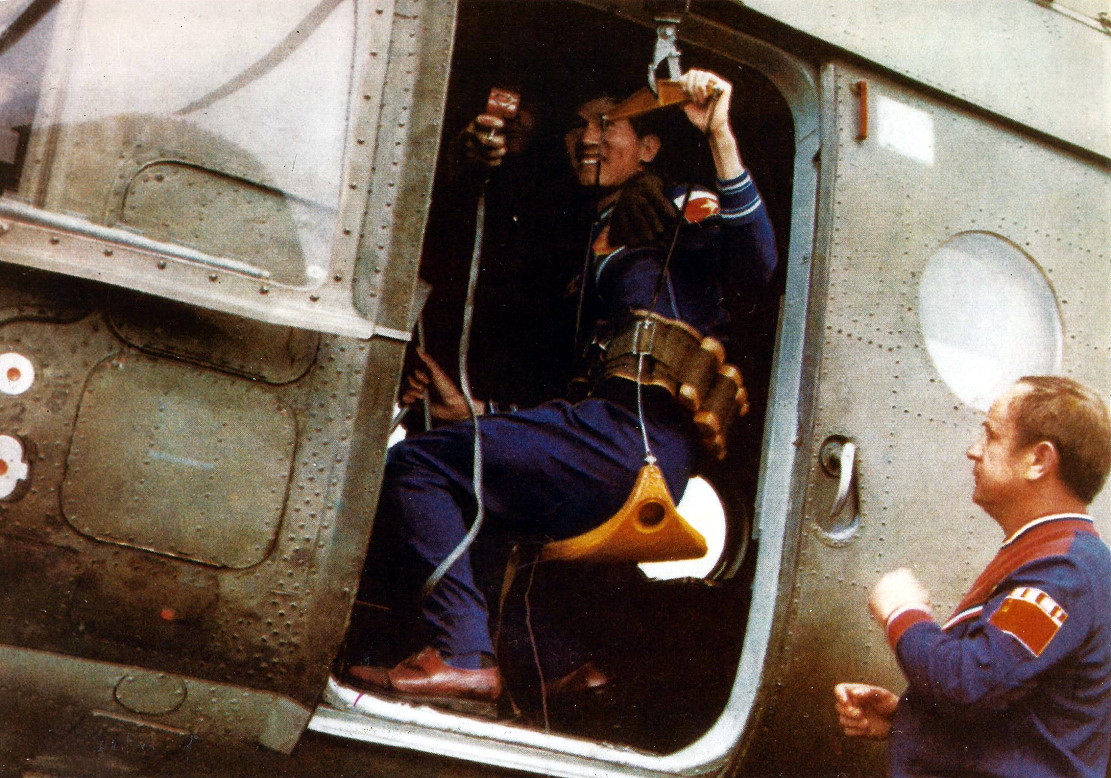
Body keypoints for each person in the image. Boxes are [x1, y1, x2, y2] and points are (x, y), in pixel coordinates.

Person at [344, 68, 778, 713]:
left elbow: (756, 260)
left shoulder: (674, 207)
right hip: (605, 438)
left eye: (608, 123)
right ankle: (561, 671)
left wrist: (719, 136)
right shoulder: (588, 242)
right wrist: (480, 412)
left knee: (418, 466)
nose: (587, 136)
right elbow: (568, 390)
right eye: (578, 126)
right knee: (483, 526)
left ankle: (463, 657)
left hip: (632, 442)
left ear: (650, 148)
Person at [834, 376, 1111, 777]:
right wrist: (910, 719)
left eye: (991, 436)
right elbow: (1013, 694)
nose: (973, 450)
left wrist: (902, 612)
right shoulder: (1056, 556)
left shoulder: (1063, 572)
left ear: (1039, 460)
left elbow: (970, 682)